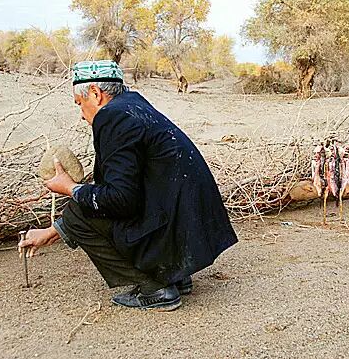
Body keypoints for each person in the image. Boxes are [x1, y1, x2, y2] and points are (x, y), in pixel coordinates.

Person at [19, 60, 237, 310]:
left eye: (79, 103)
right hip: (191, 227)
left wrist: (70, 188)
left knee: (80, 209)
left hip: (177, 225)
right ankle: (175, 274)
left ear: (95, 93)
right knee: (89, 201)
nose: (81, 113)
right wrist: (54, 230)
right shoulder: (133, 106)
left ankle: (155, 287)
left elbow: (120, 200)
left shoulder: (112, 117)